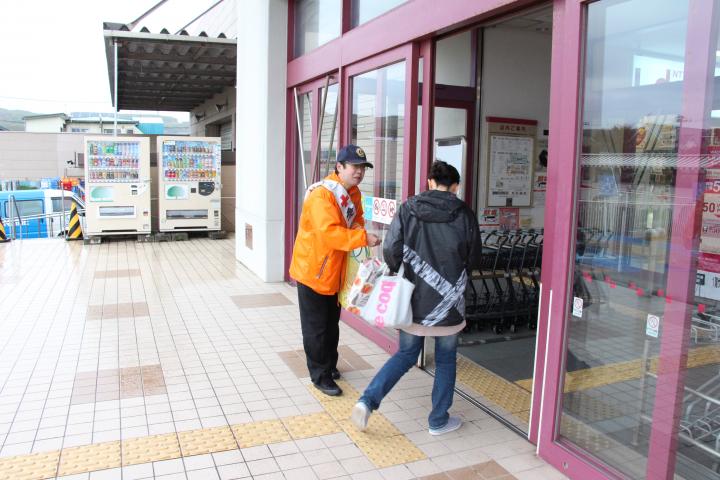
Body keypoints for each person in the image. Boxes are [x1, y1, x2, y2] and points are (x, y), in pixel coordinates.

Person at [351, 160, 481, 435]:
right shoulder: (465, 213)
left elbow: (392, 249)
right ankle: (438, 421)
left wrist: (406, 272)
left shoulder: (408, 208)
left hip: (413, 298)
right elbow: (474, 257)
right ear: (455, 186)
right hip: (450, 302)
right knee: (446, 359)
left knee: (406, 353)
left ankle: (367, 401)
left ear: (430, 182)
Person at [290, 144, 381, 397]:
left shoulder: (353, 193)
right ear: (339, 167)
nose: (360, 172)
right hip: (314, 271)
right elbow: (329, 233)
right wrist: (362, 238)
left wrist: (360, 233)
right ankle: (319, 375)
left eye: (363, 168)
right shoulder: (323, 195)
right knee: (316, 327)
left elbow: (357, 221)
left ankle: (329, 365)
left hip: (336, 270)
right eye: (355, 167)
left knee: (331, 324)